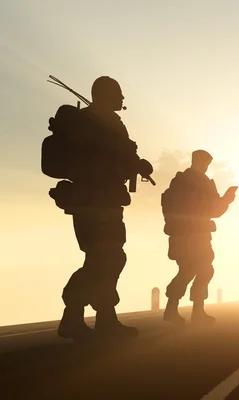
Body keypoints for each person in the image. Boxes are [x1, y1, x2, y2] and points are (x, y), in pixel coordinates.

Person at [45, 76, 154, 341]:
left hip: (101, 201)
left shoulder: (104, 124)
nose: (122, 99)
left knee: (104, 259)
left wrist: (137, 164)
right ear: (106, 95)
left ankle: (83, 318)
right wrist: (131, 160)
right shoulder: (94, 125)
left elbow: (116, 158)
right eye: (118, 93)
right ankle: (94, 318)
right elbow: (105, 160)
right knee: (106, 258)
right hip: (95, 202)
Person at [161, 149, 236, 325]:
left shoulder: (182, 181)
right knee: (195, 270)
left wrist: (226, 199)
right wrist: (225, 200)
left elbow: (212, 210)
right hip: (190, 235)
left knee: (193, 270)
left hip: (192, 235)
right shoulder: (191, 183)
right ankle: (191, 311)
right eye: (205, 163)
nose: (206, 167)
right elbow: (210, 209)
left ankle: (184, 310)